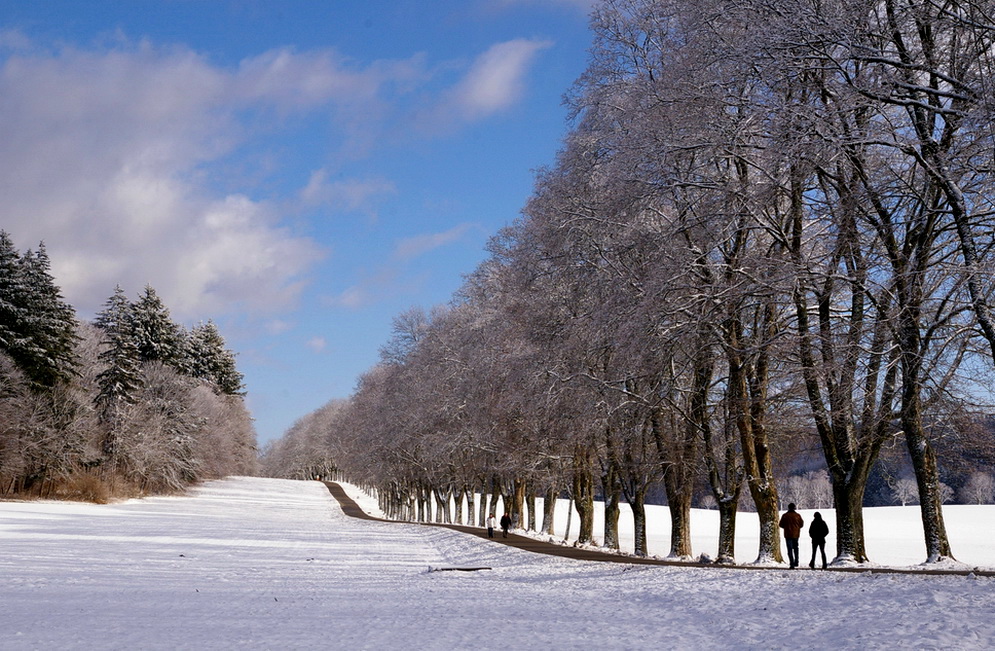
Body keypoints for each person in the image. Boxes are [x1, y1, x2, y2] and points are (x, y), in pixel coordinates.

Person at [778, 503, 804, 569]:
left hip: (788, 534)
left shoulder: (785, 516)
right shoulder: (798, 516)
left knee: (789, 549)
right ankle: (796, 561)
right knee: (796, 548)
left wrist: (786, 527)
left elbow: (781, 524)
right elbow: (801, 524)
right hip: (796, 534)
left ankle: (791, 563)